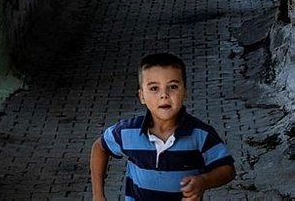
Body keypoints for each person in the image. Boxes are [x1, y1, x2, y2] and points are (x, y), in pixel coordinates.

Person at [90, 53, 236, 200]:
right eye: (154, 88)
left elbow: (227, 170)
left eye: (172, 87)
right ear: (142, 96)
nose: (164, 95)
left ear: (184, 92)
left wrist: (204, 181)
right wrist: (98, 195)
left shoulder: (200, 134)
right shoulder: (128, 132)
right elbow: (100, 147)